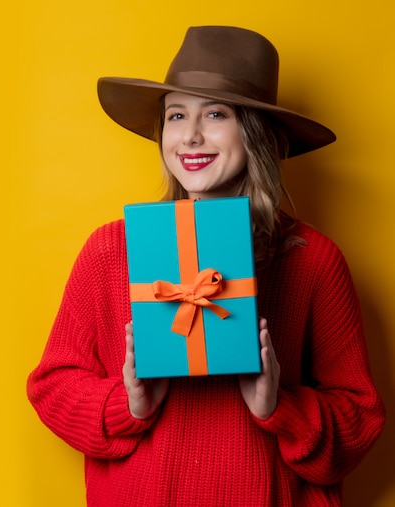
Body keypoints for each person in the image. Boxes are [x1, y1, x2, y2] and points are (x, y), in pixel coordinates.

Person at [27, 26, 385, 506]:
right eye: (176, 115)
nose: (190, 135)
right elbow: (52, 386)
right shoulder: (110, 250)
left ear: (256, 132)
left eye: (215, 114)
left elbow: (359, 419)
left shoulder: (312, 258)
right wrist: (127, 404)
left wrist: (282, 406)